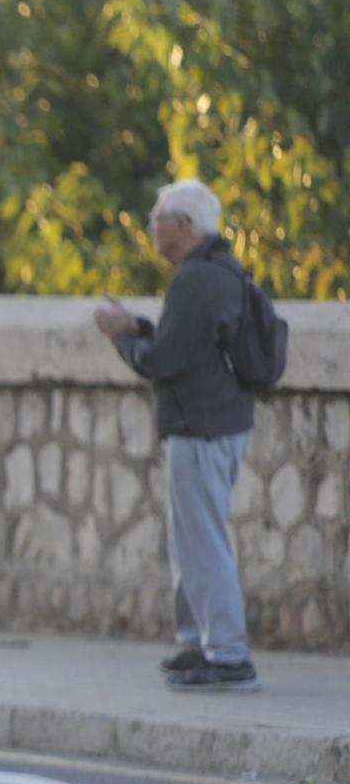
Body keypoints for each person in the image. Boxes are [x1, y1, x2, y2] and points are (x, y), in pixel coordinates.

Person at [94, 178, 259, 691]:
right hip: (219, 421)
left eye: (157, 218)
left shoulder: (194, 280)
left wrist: (122, 337)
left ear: (183, 227)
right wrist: (140, 327)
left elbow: (165, 361)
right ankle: (198, 642)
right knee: (190, 540)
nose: (151, 227)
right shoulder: (218, 270)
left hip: (200, 425)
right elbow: (184, 342)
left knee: (202, 541)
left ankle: (228, 654)